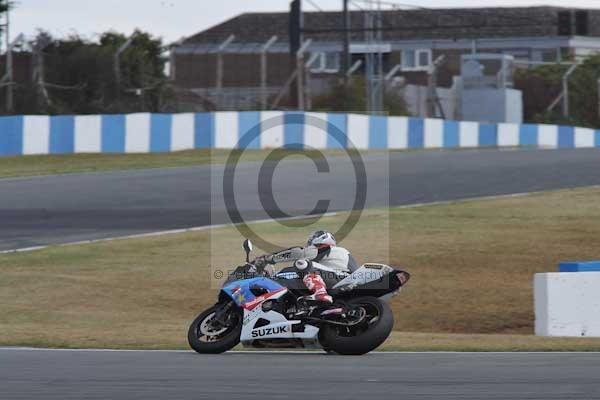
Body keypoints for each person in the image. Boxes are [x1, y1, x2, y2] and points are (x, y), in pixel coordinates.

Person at [256, 230, 359, 304]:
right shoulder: (340, 255)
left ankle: (320, 292)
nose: (309, 246)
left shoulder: (325, 248)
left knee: (302, 263)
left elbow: (298, 253)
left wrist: (269, 258)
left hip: (339, 279)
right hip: (347, 285)